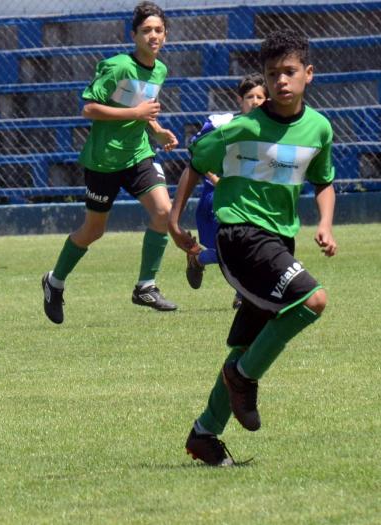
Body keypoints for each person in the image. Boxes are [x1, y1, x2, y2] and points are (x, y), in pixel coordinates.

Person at [168, 29, 337, 466]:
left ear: (308, 75)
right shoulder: (241, 127)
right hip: (240, 235)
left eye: (289, 72)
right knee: (312, 300)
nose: (280, 81)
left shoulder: (318, 128)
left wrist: (325, 223)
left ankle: (204, 434)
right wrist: (173, 220)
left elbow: (324, 180)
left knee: (248, 342)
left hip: (279, 239)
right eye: (272, 73)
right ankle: (242, 380)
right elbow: (194, 162)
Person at [41, 1, 179, 324]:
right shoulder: (117, 67)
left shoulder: (160, 69)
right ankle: (55, 281)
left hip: (138, 155)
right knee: (93, 230)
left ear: (166, 35)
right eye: (146, 30)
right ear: (134, 35)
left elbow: (143, 108)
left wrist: (157, 131)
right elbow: (88, 108)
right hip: (104, 161)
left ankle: (146, 286)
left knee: (163, 212)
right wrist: (135, 115)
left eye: (158, 30)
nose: (153, 36)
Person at [184, 73, 267, 309]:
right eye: (250, 96)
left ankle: (244, 293)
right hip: (217, 199)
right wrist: (215, 178)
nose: (255, 101)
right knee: (227, 253)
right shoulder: (222, 124)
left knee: (252, 246)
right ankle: (198, 258)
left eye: (260, 96)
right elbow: (196, 153)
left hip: (250, 199)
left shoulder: (272, 128)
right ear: (240, 100)